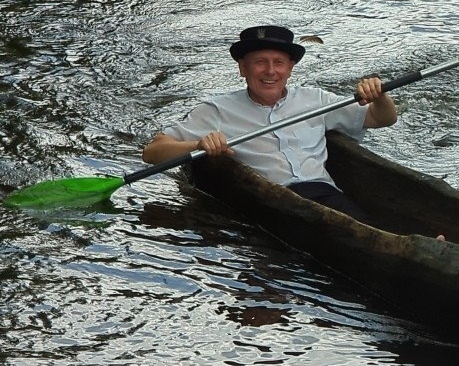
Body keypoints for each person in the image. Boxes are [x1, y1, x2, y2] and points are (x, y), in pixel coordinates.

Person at [142, 24, 397, 221]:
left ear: (290, 68)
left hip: (323, 193)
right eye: (260, 63)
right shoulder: (217, 110)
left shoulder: (316, 99)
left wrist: (380, 95)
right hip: (272, 201)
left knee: (355, 220)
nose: (270, 71)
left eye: (278, 63)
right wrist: (198, 144)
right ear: (242, 68)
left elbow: (380, 118)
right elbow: (152, 152)